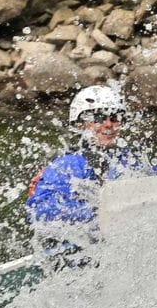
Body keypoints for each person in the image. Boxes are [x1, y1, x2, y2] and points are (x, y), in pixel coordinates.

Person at [26, 84, 150, 230]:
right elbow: (39, 211)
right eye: (98, 118)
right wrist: (96, 212)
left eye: (115, 117)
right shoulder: (69, 164)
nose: (108, 124)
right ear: (80, 125)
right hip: (74, 249)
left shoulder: (129, 160)